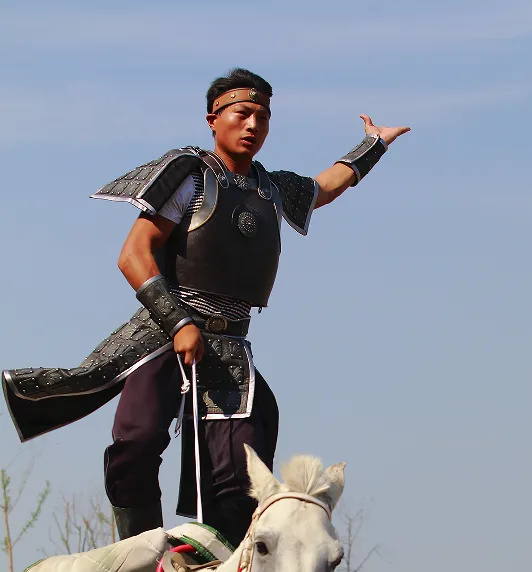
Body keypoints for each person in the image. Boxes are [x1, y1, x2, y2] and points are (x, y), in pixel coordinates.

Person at [2, 67, 409, 545]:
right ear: (213, 119)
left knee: (239, 483)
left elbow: (327, 186)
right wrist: (178, 323)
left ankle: (219, 565)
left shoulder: (271, 189)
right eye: (242, 113)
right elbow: (133, 255)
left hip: (232, 350)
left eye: (263, 116)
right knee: (134, 447)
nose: (253, 124)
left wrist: (374, 144)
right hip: (164, 333)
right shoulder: (189, 175)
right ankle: (143, 561)